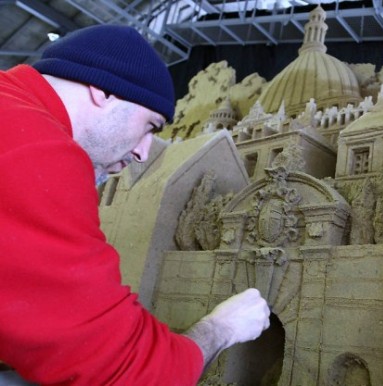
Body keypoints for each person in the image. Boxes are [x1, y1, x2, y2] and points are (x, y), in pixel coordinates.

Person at [0, 25, 270, 385]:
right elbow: (126, 371)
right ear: (104, 90)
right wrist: (221, 329)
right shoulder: (41, 152)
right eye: (149, 125)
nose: (144, 151)